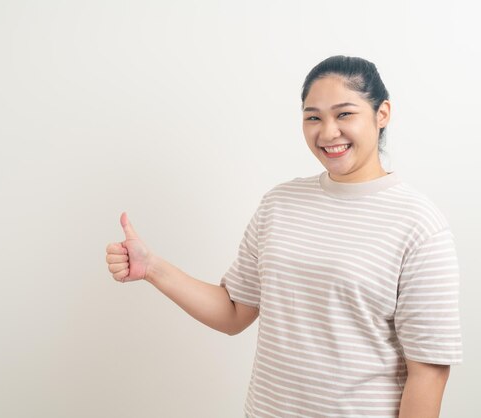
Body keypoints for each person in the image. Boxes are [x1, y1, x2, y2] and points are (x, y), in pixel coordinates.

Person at [105, 55, 462, 418]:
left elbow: (429, 372)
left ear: (381, 113)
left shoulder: (419, 223)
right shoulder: (281, 202)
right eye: (313, 117)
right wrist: (152, 268)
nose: (327, 132)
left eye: (344, 114)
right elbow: (233, 312)